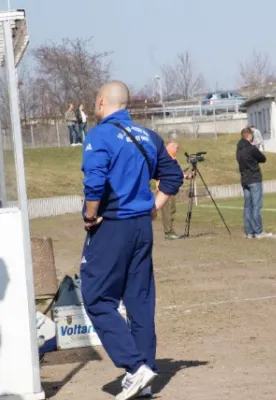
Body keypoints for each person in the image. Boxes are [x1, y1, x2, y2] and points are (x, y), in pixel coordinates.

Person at [80, 81, 184, 399]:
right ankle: (145, 378)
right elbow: (173, 176)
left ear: (100, 102)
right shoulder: (148, 136)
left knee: (97, 298)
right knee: (139, 302)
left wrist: (89, 215)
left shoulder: (99, 135)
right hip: (142, 228)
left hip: (112, 226)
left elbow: (95, 182)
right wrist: (153, 207)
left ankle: (135, 367)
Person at [236, 127, 271, 239]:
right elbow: (262, 158)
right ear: (249, 136)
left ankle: (248, 232)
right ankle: (258, 231)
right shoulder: (251, 148)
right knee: (256, 206)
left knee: (247, 206)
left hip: (244, 179)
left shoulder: (238, 149)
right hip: (254, 179)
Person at [159, 138, 191, 240]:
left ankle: (170, 231)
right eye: (176, 148)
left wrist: (184, 175)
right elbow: (168, 172)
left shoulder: (171, 157)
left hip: (170, 186)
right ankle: (168, 232)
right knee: (168, 210)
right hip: (165, 187)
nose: (177, 150)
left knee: (171, 209)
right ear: (171, 146)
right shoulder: (166, 157)